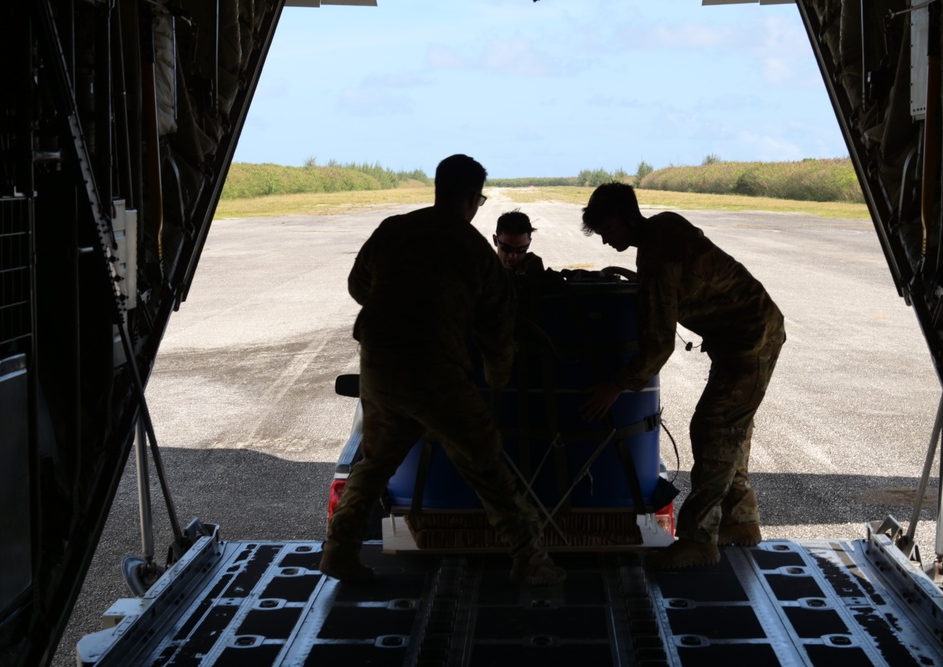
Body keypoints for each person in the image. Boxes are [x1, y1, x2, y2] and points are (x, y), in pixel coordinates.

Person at [321, 154, 565, 586]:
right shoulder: (470, 246)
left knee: (375, 462)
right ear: (472, 197)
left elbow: (359, 285)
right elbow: (497, 325)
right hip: (434, 372)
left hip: (378, 363)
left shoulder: (394, 229)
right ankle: (532, 560)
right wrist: (496, 379)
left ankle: (339, 552)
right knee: (485, 463)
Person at [578, 182, 784, 570]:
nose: (605, 242)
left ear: (624, 218)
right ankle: (741, 522)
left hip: (751, 339)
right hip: (744, 335)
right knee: (729, 430)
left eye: (607, 230)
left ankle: (699, 539)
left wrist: (616, 386)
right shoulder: (664, 227)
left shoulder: (657, 257)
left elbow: (658, 347)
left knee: (714, 428)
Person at [494, 209, 544, 276]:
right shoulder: (481, 272)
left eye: (521, 249)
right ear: (495, 240)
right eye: (506, 248)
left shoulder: (538, 274)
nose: (513, 255)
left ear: (529, 243)